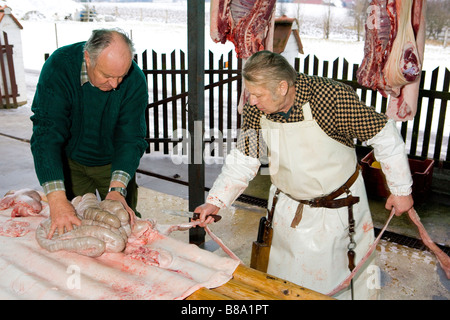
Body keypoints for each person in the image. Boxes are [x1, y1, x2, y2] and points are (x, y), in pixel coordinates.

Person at [195, 51, 414, 299]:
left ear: (282, 86)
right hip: (286, 210)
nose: (252, 101)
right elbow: (246, 156)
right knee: (285, 283)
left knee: (337, 285)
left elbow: (384, 135)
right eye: (250, 94)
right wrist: (216, 201)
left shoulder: (332, 98)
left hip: (337, 211)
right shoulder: (257, 109)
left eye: (258, 95)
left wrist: (401, 190)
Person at [30, 28, 149, 239]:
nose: (114, 85)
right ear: (88, 57)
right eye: (108, 76)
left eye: (121, 76)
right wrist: (57, 199)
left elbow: (130, 138)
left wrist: (118, 189)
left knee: (125, 225)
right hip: (71, 163)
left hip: (112, 164)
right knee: (75, 223)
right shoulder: (60, 66)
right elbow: (46, 132)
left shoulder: (135, 80)